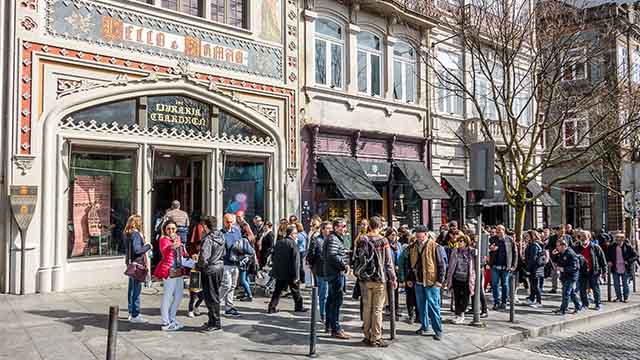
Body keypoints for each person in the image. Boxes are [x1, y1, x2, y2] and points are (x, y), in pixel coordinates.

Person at [354, 217, 397, 347]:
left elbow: (356, 258)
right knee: (378, 310)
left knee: (367, 309)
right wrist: (393, 278)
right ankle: (376, 337)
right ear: (379, 226)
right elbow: (388, 263)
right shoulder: (383, 240)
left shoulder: (362, 239)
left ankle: (366, 335)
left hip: (365, 279)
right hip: (379, 278)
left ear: (369, 226)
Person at [410, 227, 446, 341]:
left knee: (434, 306)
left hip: (431, 281)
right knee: (421, 306)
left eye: (420, 235)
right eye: (417, 235)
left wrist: (440, 281)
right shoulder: (413, 247)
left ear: (425, 234)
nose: (418, 237)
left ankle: (438, 330)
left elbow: (442, 265)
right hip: (418, 281)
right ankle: (424, 326)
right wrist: (410, 278)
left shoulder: (435, 246)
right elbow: (410, 264)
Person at [154, 220, 188, 331]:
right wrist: (172, 246)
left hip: (178, 270)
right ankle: (165, 322)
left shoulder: (177, 238)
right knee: (167, 296)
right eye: (168, 229)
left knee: (179, 296)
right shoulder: (163, 239)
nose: (171, 231)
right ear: (165, 229)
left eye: (173, 228)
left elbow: (182, 254)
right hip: (168, 270)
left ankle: (172, 318)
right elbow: (165, 252)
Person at [268, 225, 308, 314]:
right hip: (290, 272)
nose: (297, 235)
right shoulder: (293, 244)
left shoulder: (279, 242)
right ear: (291, 234)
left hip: (280, 271)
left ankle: (271, 307)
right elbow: (296, 262)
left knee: (277, 290)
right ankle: (299, 307)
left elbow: (274, 257)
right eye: (295, 233)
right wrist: (297, 276)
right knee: (295, 290)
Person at [220, 214, 254, 317]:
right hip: (225, 263)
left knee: (233, 286)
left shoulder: (237, 232)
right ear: (224, 221)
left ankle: (229, 307)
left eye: (231, 222)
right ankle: (215, 303)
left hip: (236, 263)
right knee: (226, 285)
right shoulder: (220, 233)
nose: (229, 224)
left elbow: (241, 245)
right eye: (227, 222)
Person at [322, 217, 350, 339]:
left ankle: (330, 325)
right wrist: (344, 265)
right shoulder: (333, 238)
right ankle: (335, 328)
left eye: (345, 226)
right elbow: (332, 255)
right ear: (335, 227)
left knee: (331, 300)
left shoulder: (335, 238)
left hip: (332, 273)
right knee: (336, 302)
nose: (345, 229)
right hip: (335, 273)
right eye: (342, 226)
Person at [196, 216, 226, 332]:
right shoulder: (221, 236)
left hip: (210, 269)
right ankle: (212, 321)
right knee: (214, 295)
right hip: (219, 267)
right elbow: (224, 252)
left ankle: (215, 322)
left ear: (205, 226)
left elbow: (204, 257)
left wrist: (198, 265)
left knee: (210, 297)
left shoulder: (208, 239)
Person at [124, 214, 151, 323]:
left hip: (131, 264)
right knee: (136, 290)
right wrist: (148, 246)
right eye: (141, 222)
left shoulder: (127, 234)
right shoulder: (135, 234)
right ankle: (135, 314)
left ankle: (131, 312)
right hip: (137, 264)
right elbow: (137, 250)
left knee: (131, 289)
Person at [573, 230, 607, 310]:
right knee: (582, 288)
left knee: (595, 288)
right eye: (581, 236)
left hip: (593, 271)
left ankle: (598, 304)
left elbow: (602, 259)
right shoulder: (576, 248)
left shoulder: (595, 247)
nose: (583, 238)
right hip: (582, 271)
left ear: (589, 237)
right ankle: (585, 304)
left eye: (585, 236)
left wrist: (604, 271)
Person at [446, 231, 475, 324]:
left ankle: (461, 314)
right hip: (456, 277)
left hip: (467, 279)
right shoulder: (455, 250)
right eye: (458, 241)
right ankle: (457, 314)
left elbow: (478, 263)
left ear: (466, 242)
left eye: (461, 241)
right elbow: (451, 264)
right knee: (457, 297)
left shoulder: (471, 252)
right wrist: (449, 276)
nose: (459, 243)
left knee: (465, 298)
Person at [488, 224, 518, 310]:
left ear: (503, 231)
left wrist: (513, 265)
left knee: (505, 284)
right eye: (496, 230)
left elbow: (515, 252)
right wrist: (491, 249)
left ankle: (504, 302)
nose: (497, 232)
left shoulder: (509, 240)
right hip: (495, 266)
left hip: (506, 266)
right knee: (494, 284)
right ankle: (496, 302)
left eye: (499, 230)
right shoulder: (492, 239)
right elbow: (487, 249)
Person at [307, 220, 330, 323]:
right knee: (323, 294)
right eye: (328, 228)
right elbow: (310, 255)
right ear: (322, 229)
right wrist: (313, 266)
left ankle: (328, 313)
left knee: (330, 294)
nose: (330, 230)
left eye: (331, 228)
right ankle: (323, 314)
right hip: (321, 271)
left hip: (332, 271)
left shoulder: (333, 239)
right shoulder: (316, 240)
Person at [552, 238, 582, 315]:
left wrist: (563, 269)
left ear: (564, 246)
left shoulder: (570, 253)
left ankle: (563, 309)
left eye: (558, 246)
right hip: (564, 276)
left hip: (571, 276)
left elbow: (575, 267)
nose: (557, 247)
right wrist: (554, 254)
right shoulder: (561, 252)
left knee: (566, 292)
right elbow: (556, 262)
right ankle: (578, 306)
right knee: (571, 292)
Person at [607, 232, 639, 303]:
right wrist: (609, 261)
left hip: (625, 268)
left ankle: (626, 297)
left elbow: (636, 256)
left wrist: (628, 261)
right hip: (615, 267)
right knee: (616, 284)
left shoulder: (628, 246)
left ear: (623, 239)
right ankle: (618, 297)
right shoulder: (612, 246)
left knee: (625, 284)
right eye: (617, 239)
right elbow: (607, 255)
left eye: (620, 239)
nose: (618, 241)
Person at [398, 234, 421, 324]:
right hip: (409, 277)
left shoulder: (420, 251)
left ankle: (418, 315)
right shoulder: (406, 251)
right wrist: (403, 279)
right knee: (410, 297)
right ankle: (411, 315)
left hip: (418, 278)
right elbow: (401, 265)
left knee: (418, 298)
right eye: (412, 241)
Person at [525, 230, 546, 308]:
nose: (526, 237)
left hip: (535, 269)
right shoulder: (533, 244)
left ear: (532, 236)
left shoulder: (534, 245)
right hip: (535, 268)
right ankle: (532, 299)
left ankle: (539, 301)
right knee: (533, 285)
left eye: (527, 236)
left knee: (535, 285)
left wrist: (528, 269)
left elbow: (532, 258)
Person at [385, 227, 402, 319]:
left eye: (395, 235)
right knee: (389, 290)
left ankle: (396, 308)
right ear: (388, 235)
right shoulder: (385, 244)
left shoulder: (398, 245)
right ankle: (389, 308)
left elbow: (401, 256)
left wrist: (399, 266)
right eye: (392, 235)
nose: (394, 237)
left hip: (397, 271)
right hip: (388, 271)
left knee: (396, 290)